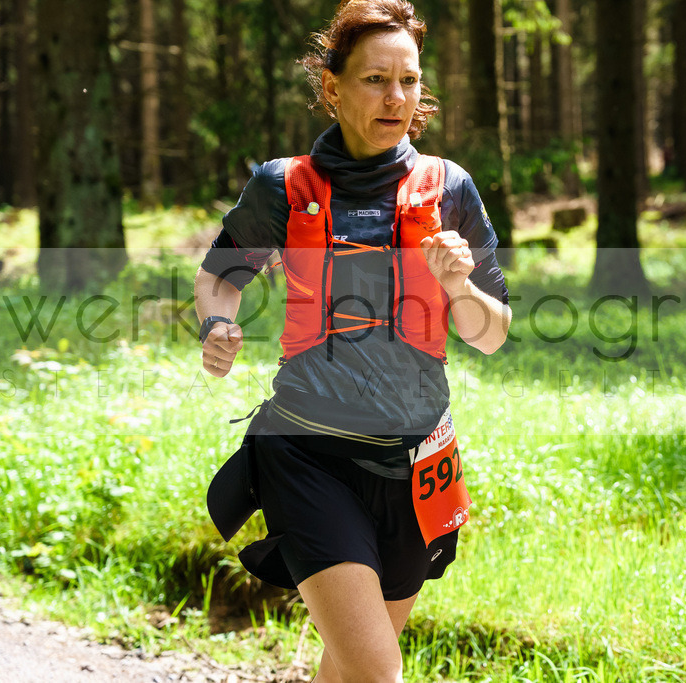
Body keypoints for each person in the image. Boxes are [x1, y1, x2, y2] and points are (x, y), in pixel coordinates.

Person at [192, 1, 511, 681]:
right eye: (375, 79)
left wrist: (459, 287)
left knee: (345, 670)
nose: (396, 97)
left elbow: (492, 333)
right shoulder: (284, 186)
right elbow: (219, 276)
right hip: (307, 458)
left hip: (415, 470)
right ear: (333, 87)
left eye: (410, 80)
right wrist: (217, 322)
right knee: (377, 673)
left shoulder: (449, 187)